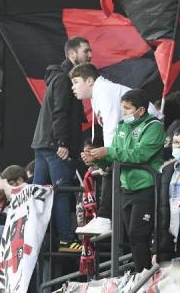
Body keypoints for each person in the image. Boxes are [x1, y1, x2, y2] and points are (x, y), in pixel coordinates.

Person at [69, 62, 160, 236]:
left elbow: (111, 128)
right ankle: (104, 217)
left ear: (89, 81)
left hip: (148, 131)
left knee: (111, 166)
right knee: (108, 166)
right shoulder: (98, 94)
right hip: (136, 133)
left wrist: (107, 157)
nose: (73, 88)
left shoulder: (104, 92)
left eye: (75, 82)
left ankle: (104, 218)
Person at [81, 89, 165, 272]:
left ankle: (145, 275)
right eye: (122, 108)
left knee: (138, 234)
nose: (123, 112)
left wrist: (108, 151)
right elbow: (115, 158)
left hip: (146, 187)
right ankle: (140, 274)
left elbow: (140, 155)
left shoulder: (154, 126)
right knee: (130, 236)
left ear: (141, 110)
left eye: (127, 108)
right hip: (125, 188)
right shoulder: (121, 126)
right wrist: (96, 158)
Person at [31, 37, 91, 251]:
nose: (90, 55)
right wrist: (63, 142)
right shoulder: (65, 79)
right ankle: (66, 239)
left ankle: (37, 239)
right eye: (86, 51)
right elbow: (60, 111)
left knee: (40, 193)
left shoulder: (59, 76)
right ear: (72, 55)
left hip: (43, 144)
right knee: (62, 190)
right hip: (56, 144)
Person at [155, 123, 180, 262]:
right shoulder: (166, 171)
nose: (179, 146)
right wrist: (156, 249)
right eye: (176, 143)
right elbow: (160, 210)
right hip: (169, 232)